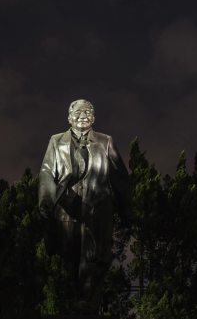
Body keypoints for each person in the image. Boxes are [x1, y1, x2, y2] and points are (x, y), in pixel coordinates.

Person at [38, 99, 129, 314]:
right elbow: (47, 172)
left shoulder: (106, 141)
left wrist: (127, 210)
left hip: (98, 213)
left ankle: (88, 308)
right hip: (67, 213)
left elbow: (120, 178)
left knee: (95, 265)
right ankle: (69, 307)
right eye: (78, 112)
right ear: (69, 117)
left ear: (94, 117)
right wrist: (46, 202)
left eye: (88, 112)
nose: (83, 115)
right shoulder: (56, 141)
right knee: (67, 265)